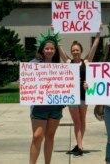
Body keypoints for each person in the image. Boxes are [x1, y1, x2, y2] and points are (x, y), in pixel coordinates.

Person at [58, 30, 101, 156]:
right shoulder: (68, 62)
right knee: (76, 122)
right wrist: (55, 32)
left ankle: (78, 144)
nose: (75, 52)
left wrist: (98, 33)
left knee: (82, 120)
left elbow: (94, 47)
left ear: (81, 51)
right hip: (72, 97)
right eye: (73, 50)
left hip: (84, 95)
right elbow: (60, 47)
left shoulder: (86, 62)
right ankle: (80, 147)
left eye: (77, 50)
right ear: (71, 51)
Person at [29, 32, 64, 164]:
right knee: (37, 136)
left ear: (55, 50)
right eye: (47, 48)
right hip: (39, 107)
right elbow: (27, 80)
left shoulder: (60, 67)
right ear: (42, 50)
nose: (49, 50)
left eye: (52, 48)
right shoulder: (34, 64)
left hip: (55, 107)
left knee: (50, 136)